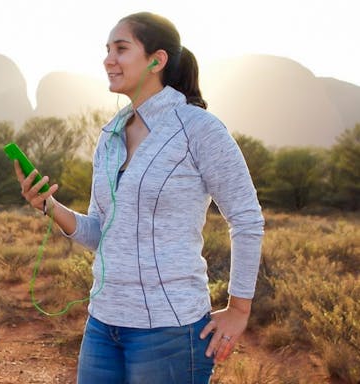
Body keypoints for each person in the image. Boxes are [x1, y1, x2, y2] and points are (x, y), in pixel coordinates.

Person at [14, 11, 264, 384]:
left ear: (156, 60)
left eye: (121, 48)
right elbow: (101, 232)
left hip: (170, 331)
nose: (108, 59)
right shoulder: (110, 135)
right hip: (103, 325)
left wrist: (239, 308)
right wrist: (48, 206)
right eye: (107, 49)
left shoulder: (198, 128)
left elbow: (247, 219)